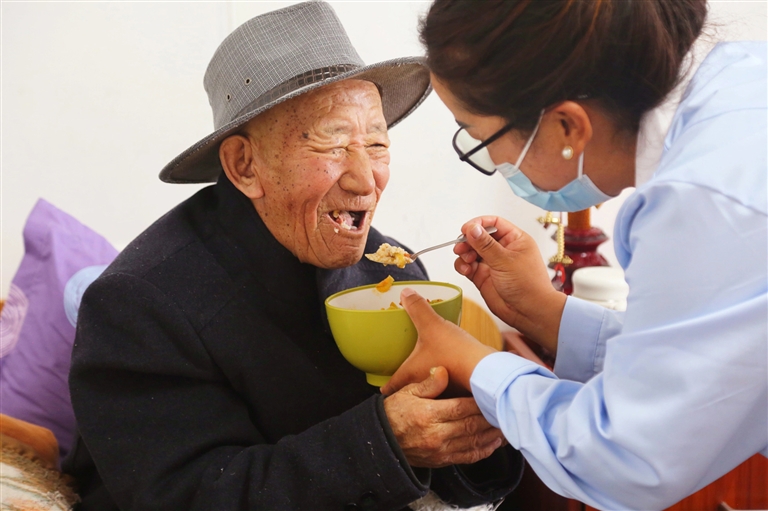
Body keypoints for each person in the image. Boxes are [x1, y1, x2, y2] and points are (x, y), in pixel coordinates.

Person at [62, 2, 525, 510]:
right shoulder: (138, 303)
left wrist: (482, 411)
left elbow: (434, 456)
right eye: (332, 144)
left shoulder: (388, 270)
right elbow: (186, 495)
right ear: (245, 166)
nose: (366, 180)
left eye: (376, 143)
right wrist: (384, 443)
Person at [382, 1, 767, 509]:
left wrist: (475, 364)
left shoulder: (703, 200)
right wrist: (547, 313)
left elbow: (625, 458)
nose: (493, 160)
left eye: (479, 136)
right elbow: (700, 354)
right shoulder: (741, 89)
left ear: (567, 126)